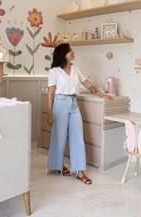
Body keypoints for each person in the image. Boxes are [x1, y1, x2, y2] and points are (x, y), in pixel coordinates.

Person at [46, 43, 112, 185]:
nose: (73, 52)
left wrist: (101, 94)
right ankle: (59, 166)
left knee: (78, 138)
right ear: (63, 54)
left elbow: (86, 83)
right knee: (59, 137)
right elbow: (50, 93)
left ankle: (79, 171)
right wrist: (49, 114)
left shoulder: (75, 68)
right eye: (70, 51)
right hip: (60, 103)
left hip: (73, 103)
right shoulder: (54, 72)